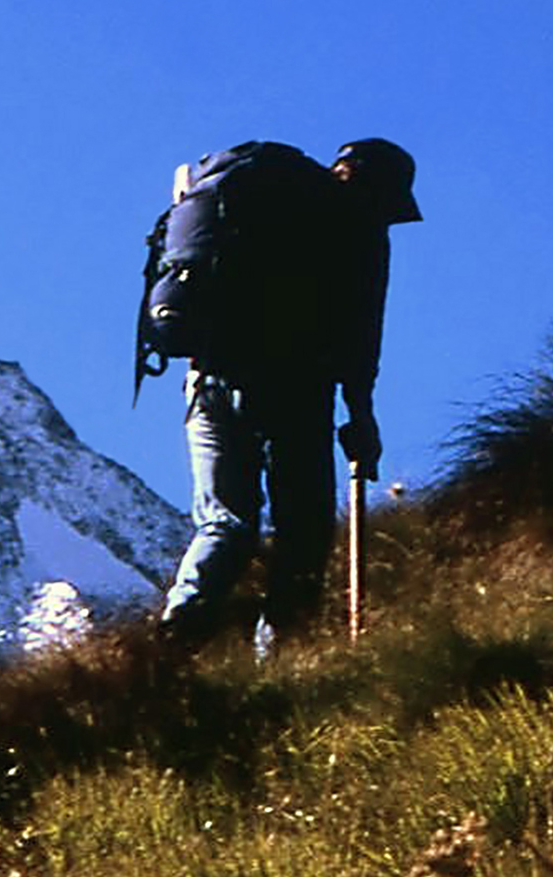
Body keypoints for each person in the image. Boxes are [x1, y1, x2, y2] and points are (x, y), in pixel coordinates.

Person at [157, 138, 421, 649]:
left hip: (207, 380)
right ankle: (283, 658)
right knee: (303, 532)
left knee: (225, 524)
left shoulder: (246, 197)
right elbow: (361, 335)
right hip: (293, 390)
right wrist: (361, 416)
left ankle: (171, 644)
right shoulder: (356, 225)